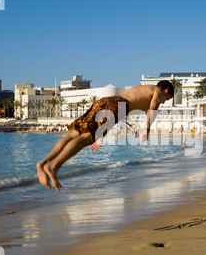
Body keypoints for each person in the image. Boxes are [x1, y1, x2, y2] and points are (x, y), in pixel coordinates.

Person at [37, 81, 174, 190]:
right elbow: (152, 110)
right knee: (86, 138)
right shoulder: (159, 91)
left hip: (106, 101)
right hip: (117, 107)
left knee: (75, 133)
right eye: (167, 99)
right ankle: (53, 166)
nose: (164, 101)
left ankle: (43, 163)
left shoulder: (145, 88)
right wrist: (147, 129)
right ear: (167, 90)